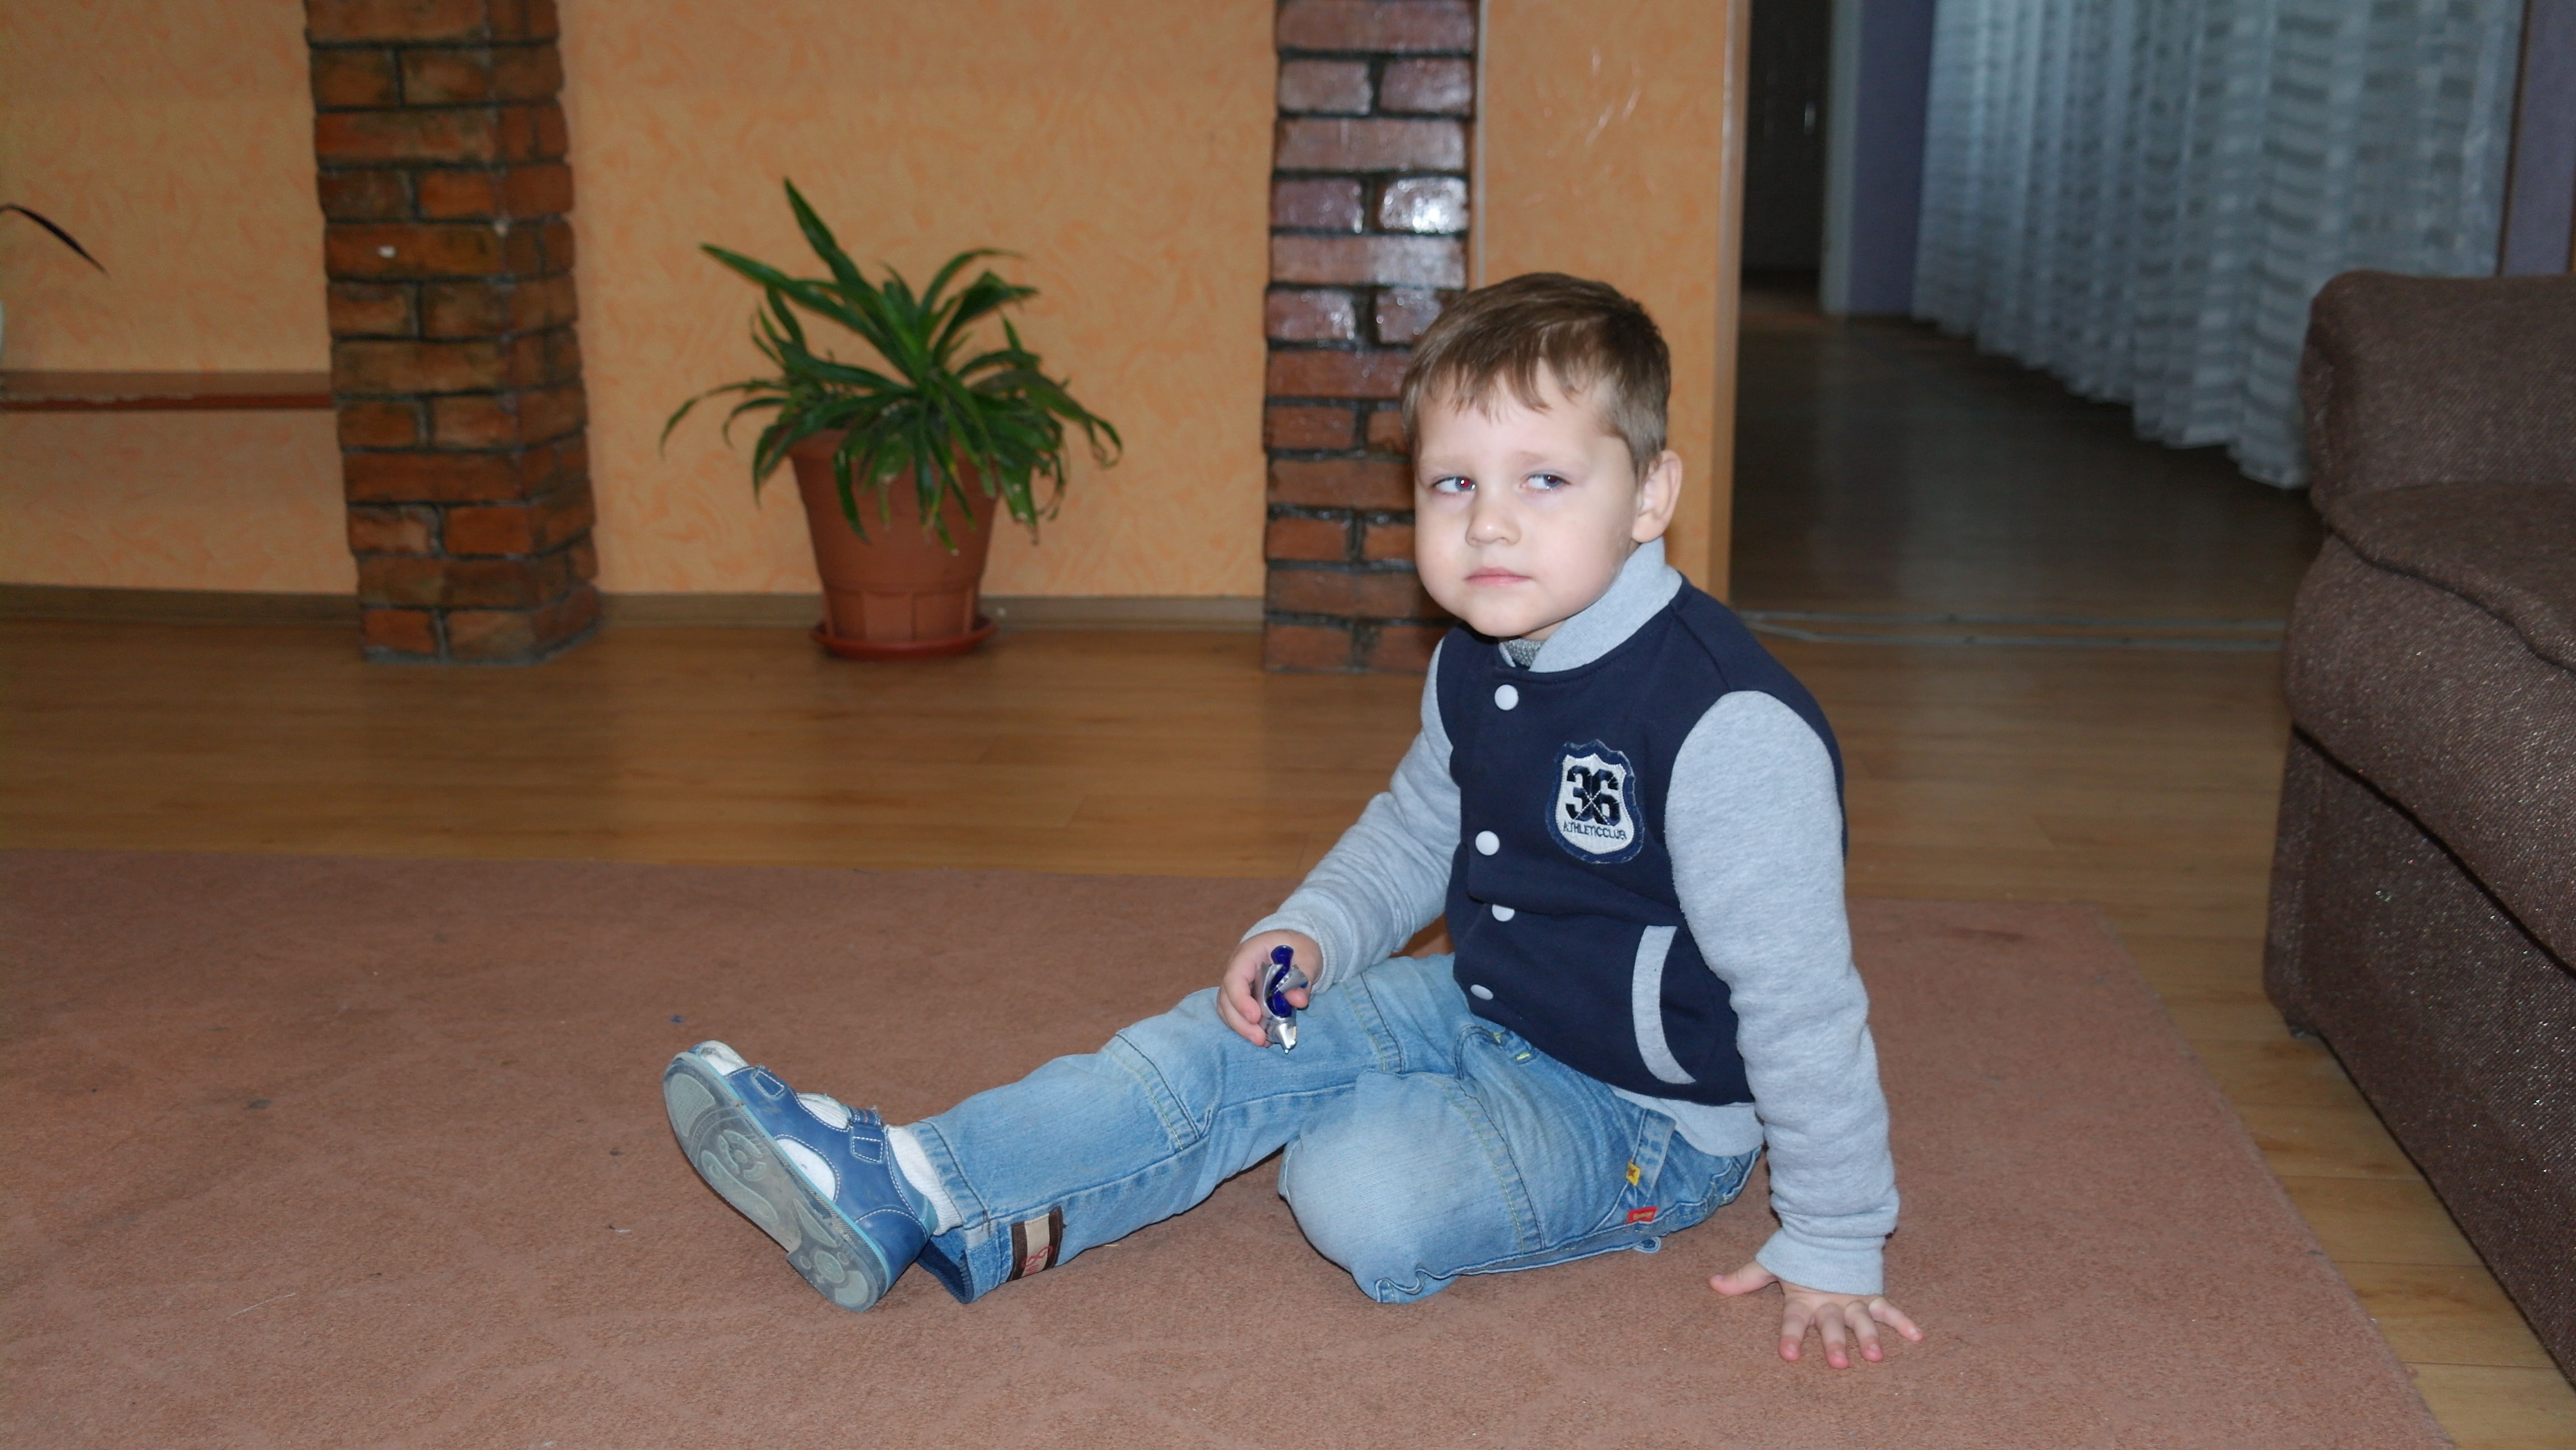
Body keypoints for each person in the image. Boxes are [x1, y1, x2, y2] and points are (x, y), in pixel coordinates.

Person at [662, 273, 1922, 1368]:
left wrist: (1834, 1233)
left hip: (1648, 1114)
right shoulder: (1478, 656)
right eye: (1453, 482)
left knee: (1355, 1190)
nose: (1489, 521)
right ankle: (921, 1181)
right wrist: (1311, 929)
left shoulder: (1726, 725)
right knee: (1215, 1039)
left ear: (1650, 494)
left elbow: (1801, 1004)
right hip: (1487, 998)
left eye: (1545, 479)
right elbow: (1418, 828)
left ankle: (1291, 1122)